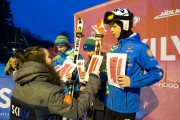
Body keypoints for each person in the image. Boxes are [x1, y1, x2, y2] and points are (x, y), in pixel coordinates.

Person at [103, 8, 164, 120]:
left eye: (114, 26)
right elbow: (108, 73)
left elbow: (158, 73)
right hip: (108, 105)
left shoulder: (140, 47)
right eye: (110, 26)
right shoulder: (114, 48)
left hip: (126, 109)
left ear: (125, 25)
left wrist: (131, 81)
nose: (111, 30)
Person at [10, 46, 101, 120]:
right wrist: (93, 80)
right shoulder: (50, 92)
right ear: (41, 62)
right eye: (49, 57)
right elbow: (77, 110)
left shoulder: (18, 86)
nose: (52, 59)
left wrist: (59, 80)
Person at [80, 37, 107, 120]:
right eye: (86, 51)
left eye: (90, 51)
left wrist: (91, 76)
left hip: (101, 99)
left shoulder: (104, 60)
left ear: (97, 49)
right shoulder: (89, 62)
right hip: (91, 98)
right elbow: (85, 78)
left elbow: (105, 78)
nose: (88, 53)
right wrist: (82, 84)